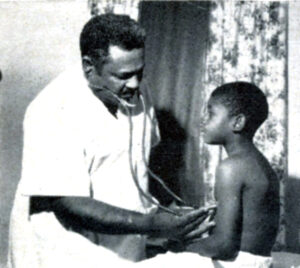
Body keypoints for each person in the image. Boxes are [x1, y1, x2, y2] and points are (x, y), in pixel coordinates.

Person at [7, 14, 213, 268]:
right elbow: (69, 203)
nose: (135, 84)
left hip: (124, 247)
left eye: (140, 71)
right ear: (89, 67)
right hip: (63, 250)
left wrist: (170, 211)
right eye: (123, 75)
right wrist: (153, 225)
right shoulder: (52, 109)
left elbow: (140, 165)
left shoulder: (138, 92)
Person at [136, 82, 279, 268]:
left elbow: (224, 246)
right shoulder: (260, 164)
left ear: (238, 122)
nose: (203, 120)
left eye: (210, 113)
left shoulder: (231, 167)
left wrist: (179, 247)